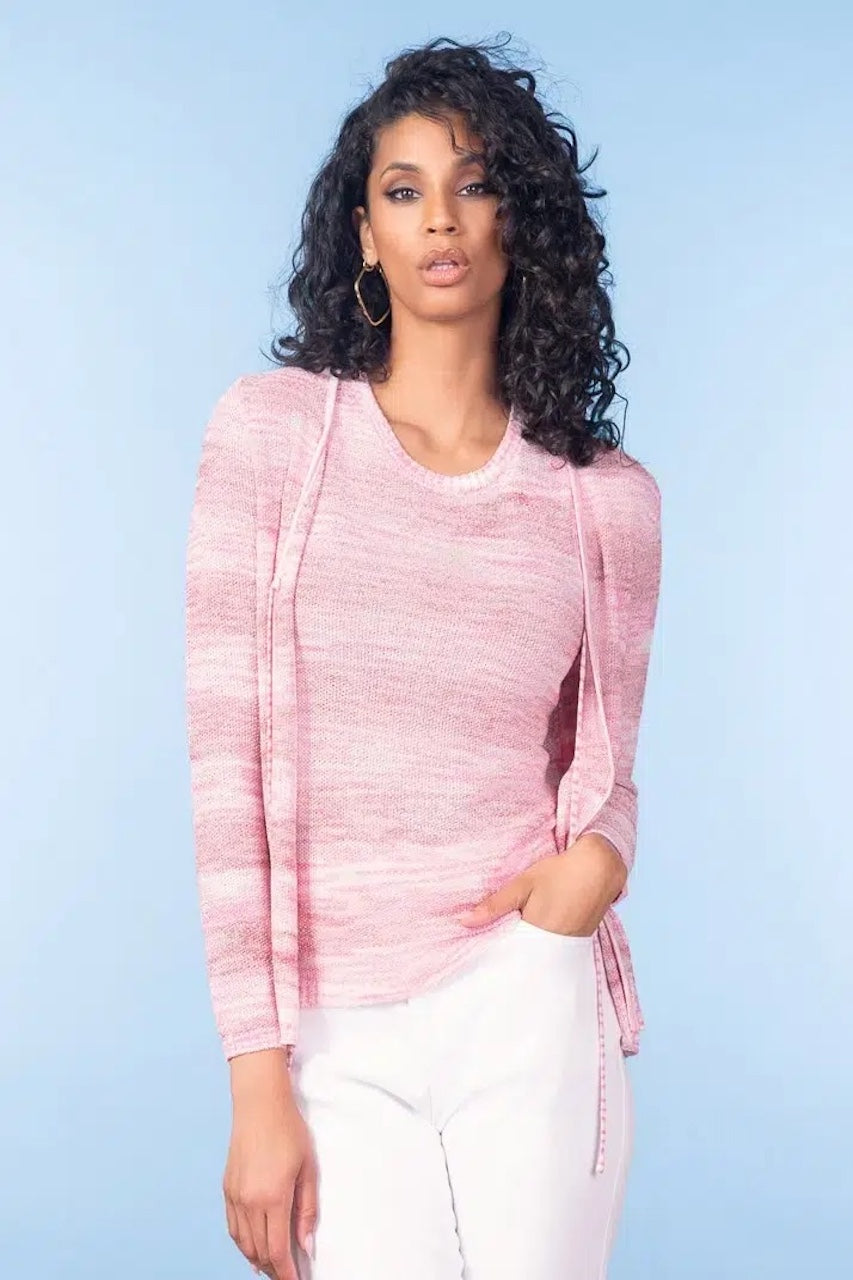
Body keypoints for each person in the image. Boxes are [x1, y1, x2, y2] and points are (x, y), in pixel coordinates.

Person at [184, 34, 662, 1280]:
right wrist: (255, 1081)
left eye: (475, 183)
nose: (440, 218)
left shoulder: (603, 499)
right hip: (333, 1027)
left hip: (527, 999)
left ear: (521, 221)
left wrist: (598, 863)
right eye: (404, 189)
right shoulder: (274, 439)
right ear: (365, 233)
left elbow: (606, 763)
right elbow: (225, 773)